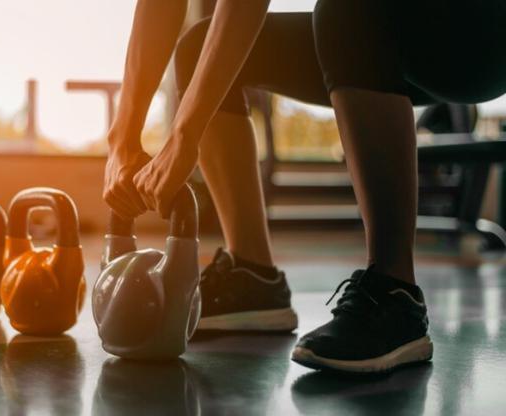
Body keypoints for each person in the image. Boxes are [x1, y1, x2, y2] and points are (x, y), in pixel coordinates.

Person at [103, 0, 506, 373]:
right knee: (197, 48)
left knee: (346, 8)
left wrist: (183, 136)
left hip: (481, 31)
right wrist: (122, 140)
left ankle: (395, 295)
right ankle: (254, 279)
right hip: (372, 32)